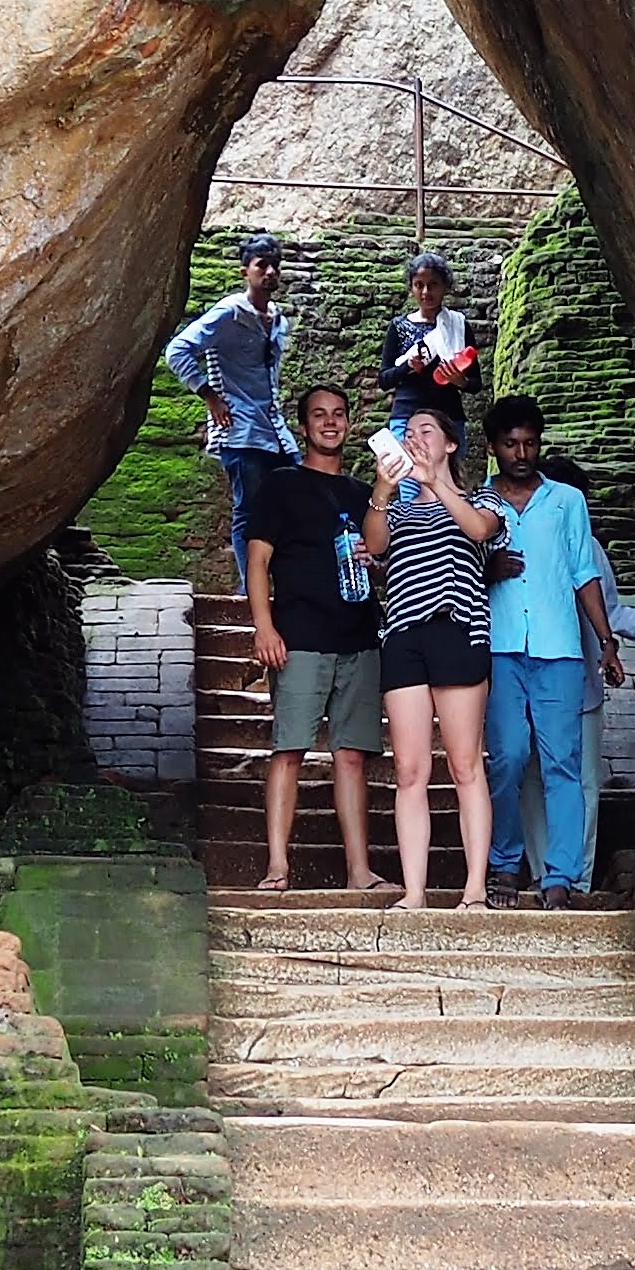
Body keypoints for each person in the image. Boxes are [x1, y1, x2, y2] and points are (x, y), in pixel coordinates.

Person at [243, 384, 388, 898]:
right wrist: (264, 626)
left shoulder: (357, 493)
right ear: (302, 426)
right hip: (299, 636)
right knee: (290, 749)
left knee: (352, 755)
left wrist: (381, 492)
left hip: (357, 636)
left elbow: (376, 549)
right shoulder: (280, 486)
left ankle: (359, 870)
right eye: (319, 416)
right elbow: (258, 561)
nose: (331, 423)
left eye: (340, 415)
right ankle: (278, 865)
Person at [476, 395, 616, 908]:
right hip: (499, 647)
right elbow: (454, 574)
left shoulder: (566, 502)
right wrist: (487, 572)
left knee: (564, 765)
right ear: (493, 447)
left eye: (530, 443)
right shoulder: (476, 504)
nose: (521, 452)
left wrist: (606, 641)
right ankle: (505, 862)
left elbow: (584, 572)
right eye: (510, 443)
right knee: (509, 757)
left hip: (559, 649)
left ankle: (560, 877)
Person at [364, 404, 501, 912]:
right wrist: (383, 488)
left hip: (459, 630)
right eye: (408, 432)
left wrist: (433, 481)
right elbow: (375, 542)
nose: (415, 436)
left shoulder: (480, 496)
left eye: (427, 430)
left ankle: (474, 890)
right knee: (409, 770)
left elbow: (480, 530)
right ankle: (415, 892)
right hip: (403, 634)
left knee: (466, 766)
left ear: (448, 444)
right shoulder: (397, 509)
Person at [160, 236, 298, 567]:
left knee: (292, 498)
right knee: (248, 509)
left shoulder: (277, 319)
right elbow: (177, 350)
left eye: (275, 266)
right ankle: (250, 588)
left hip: (274, 430)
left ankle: (273, 579)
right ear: (245, 272)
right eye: (261, 265)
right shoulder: (229, 314)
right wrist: (209, 395)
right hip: (239, 429)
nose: (270, 272)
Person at [384, 253, 479, 447]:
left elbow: (476, 383)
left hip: (448, 419)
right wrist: (408, 367)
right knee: (405, 475)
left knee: (445, 477)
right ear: (411, 288)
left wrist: (460, 381)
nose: (426, 291)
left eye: (433, 284)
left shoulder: (458, 325)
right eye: (419, 285)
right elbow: (384, 379)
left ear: (445, 287)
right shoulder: (399, 326)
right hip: (406, 417)